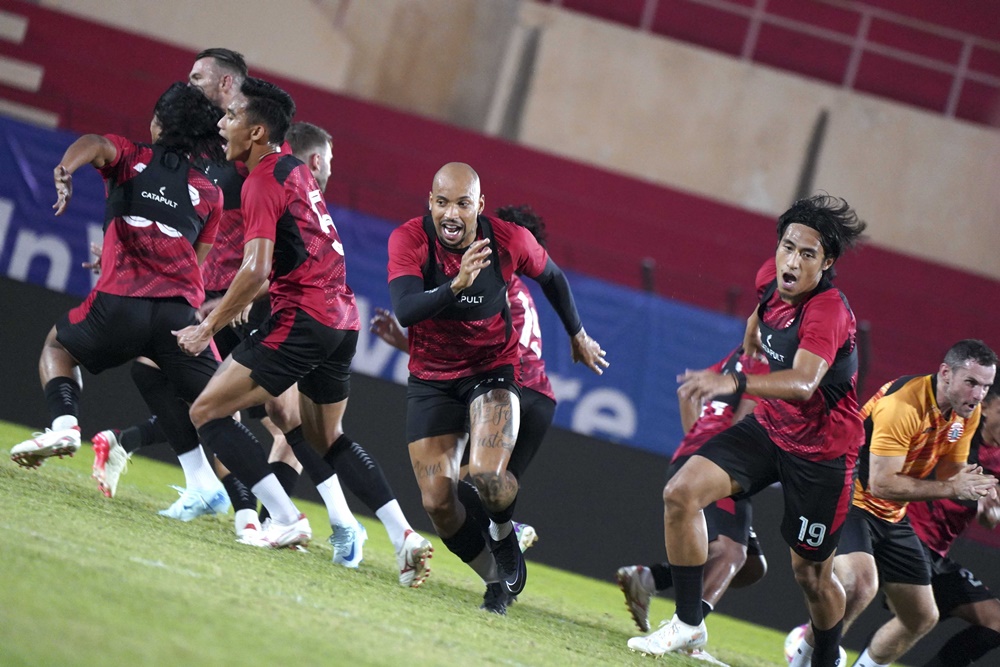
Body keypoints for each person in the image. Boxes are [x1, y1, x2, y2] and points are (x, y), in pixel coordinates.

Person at [174, 78, 434, 577]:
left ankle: (286, 517)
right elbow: (296, 256)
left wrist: (208, 327)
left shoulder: (260, 181)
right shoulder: (295, 171)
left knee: (206, 411)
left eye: (231, 117)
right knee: (325, 437)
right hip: (342, 320)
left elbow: (255, 269)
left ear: (256, 132)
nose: (222, 124)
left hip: (304, 318)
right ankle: (403, 535)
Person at [627, 194, 866, 666]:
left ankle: (825, 659)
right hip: (770, 429)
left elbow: (803, 383)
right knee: (681, 493)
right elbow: (762, 307)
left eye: (808, 254)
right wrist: (752, 332)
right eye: (787, 247)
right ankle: (688, 624)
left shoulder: (828, 312)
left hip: (822, 455)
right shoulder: (770, 280)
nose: (792, 262)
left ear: (827, 263)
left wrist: (734, 380)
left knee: (812, 577)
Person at [386, 162, 608, 612]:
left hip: (490, 370)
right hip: (431, 379)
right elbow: (406, 309)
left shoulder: (509, 241)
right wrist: (456, 284)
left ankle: (504, 531)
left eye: (462, 204)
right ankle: (495, 582)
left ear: (479, 206)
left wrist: (578, 334)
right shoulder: (409, 239)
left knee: (487, 476)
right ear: (430, 202)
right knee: (438, 502)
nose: (451, 213)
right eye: (442, 202)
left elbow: (553, 277)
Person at [8, 82, 225, 509]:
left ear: (157, 122)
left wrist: (65, 169)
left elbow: (93, 143)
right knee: (221, 404)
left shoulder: (128, 154)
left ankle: (65, 426)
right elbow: (191, 264)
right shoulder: (211, 193)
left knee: (57, 348)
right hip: (177, 318)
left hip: (119, 305)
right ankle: (257, 512)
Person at [371, 203, 556, 606]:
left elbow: (485, 355)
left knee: (464, 484)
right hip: (526, 394)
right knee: (461, 489)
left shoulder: (499, 290)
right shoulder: (512, 288)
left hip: (516, 390)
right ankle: (500, 576)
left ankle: (507, 535)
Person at [788, 340, 998, 667]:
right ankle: (804, 657)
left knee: (921, 616)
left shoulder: (966, 413)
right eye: (971, 382)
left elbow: (950, 470)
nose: (978, 394)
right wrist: (951, 487)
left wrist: (978, 488)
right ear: (945, 373)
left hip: (890, 513)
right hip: (846, 495)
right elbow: (882, 483)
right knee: (859, 585)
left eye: (985, 386)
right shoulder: (903, 404)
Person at [616, 345, 770, 644]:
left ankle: (651, 579)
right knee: (731, 553)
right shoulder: (771, 365)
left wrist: (699, 445)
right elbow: (744, 421)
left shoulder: (739, 357)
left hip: (700, 457)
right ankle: (689, 628)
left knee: (751, 566)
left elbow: (687, 392)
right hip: (724, 465)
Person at [910, 383, 1000, 667]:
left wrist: (990, 512)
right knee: (911, 619)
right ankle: (814, 640)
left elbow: (990, 518)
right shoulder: (957, 430)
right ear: (987, 406)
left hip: (936, 554)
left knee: (996, 622)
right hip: (902, 534)